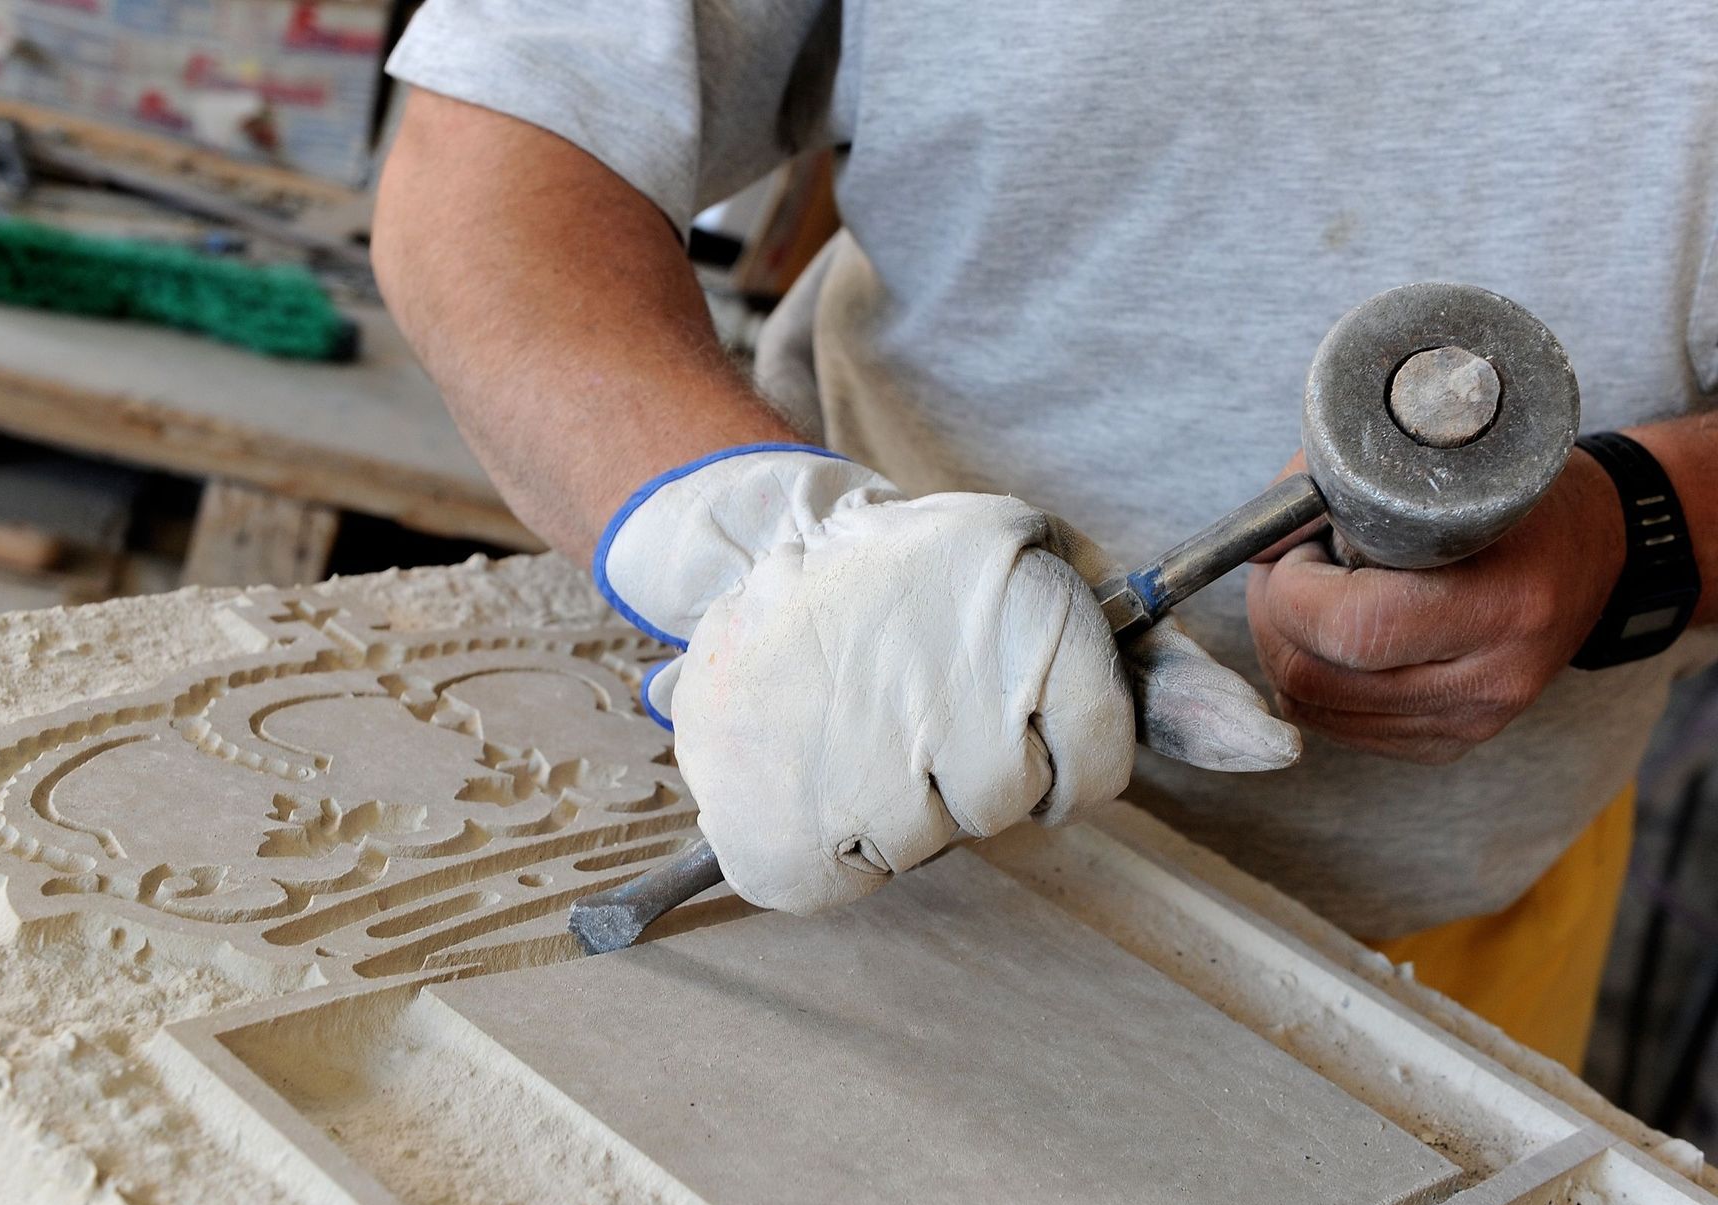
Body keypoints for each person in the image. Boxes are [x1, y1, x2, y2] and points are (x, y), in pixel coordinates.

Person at [371, 3, 1718, 1071]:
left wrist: (1637, 534)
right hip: (807, 773)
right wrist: (767, 548)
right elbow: (498, 138)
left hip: (1434, 929)